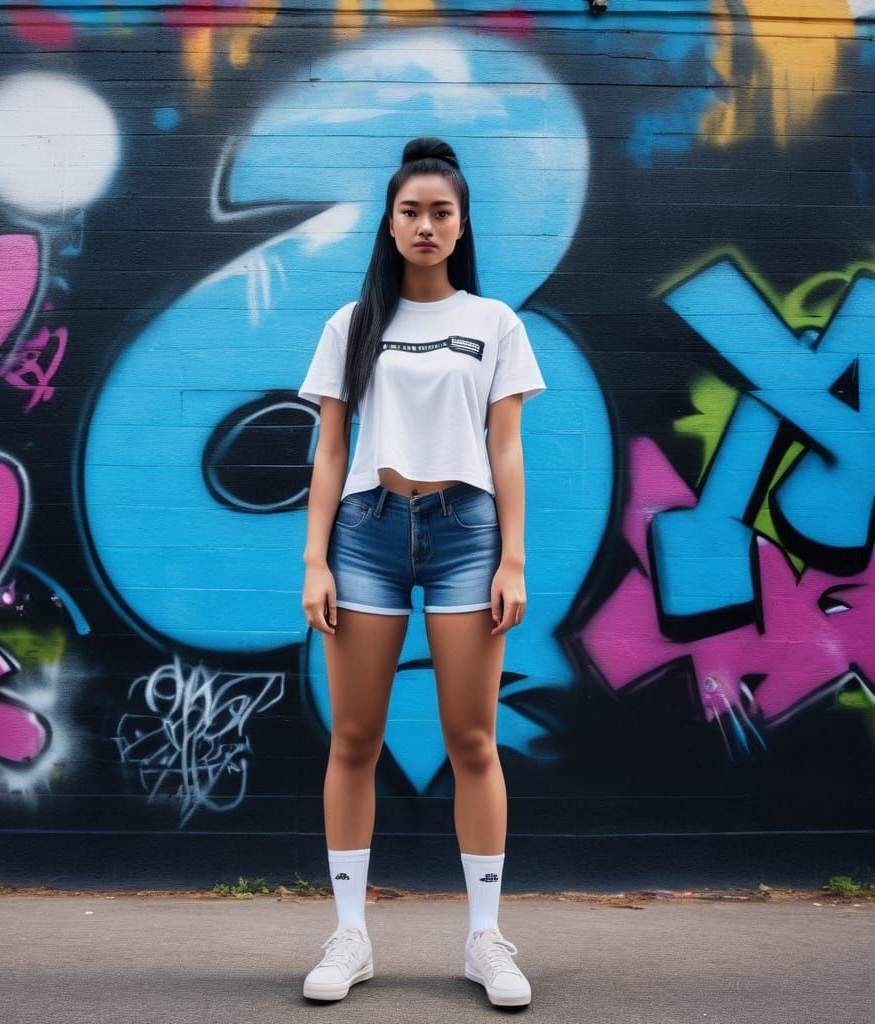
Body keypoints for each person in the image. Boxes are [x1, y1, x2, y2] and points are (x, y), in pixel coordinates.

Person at [296, 136, 546, 1008]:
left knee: (472, 741)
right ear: (390, 223)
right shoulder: (353, 324)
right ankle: (350, 935)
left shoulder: (494, 323)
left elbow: (507, 450)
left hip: (465, 534)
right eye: (412, 211)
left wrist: (514, 556)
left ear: (462, 223)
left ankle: (486, 938)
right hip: (365, 531)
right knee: (355, 739)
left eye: (442, 212)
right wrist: (313, 559)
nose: (427, 225)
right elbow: (329, 451)